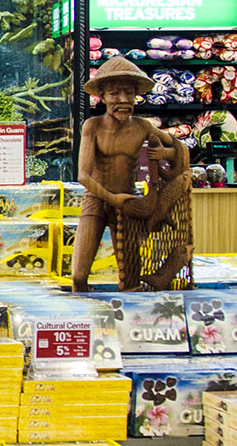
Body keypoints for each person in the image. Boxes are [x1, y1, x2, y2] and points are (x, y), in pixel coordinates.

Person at [71, 56, 192, 292]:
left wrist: (164, 153)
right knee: (78, 276)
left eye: (129, 93)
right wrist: (112, 198)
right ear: (102, 96)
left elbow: (179, 150)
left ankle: (130, 310)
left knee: (131, 279)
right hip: (97, 200)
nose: (123, 100)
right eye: (115, 93)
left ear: (136, 95)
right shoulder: (92, 126)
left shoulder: (142, 126)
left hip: (128, 204)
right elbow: (83, 176)